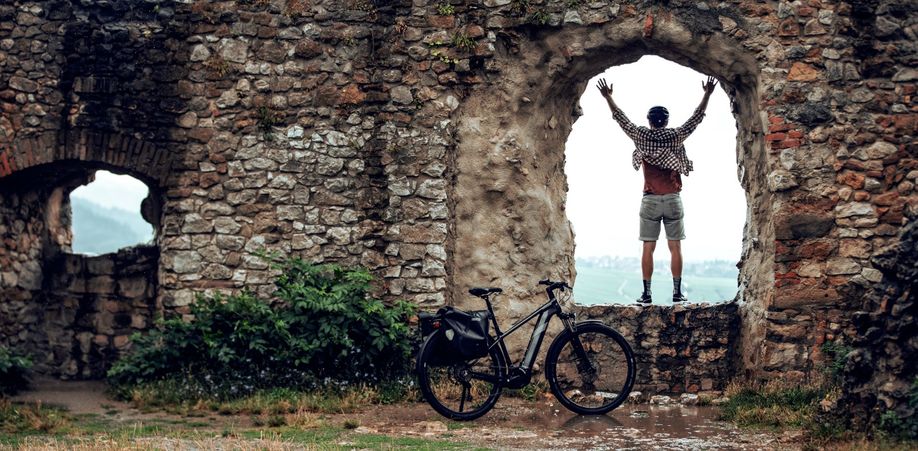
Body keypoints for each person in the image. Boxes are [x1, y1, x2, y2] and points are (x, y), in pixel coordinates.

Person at [596, 75, 717, 304]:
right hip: (672, 198)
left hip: (650, 200)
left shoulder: (641, 136)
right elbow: (696, 118)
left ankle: (646, 294)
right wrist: (707, 93)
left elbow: (620, 119)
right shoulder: (675, 137)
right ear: (667, 121)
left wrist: (608, 97)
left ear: (650, 121)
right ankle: (677, 292)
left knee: (648, 248)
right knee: (675, 247)